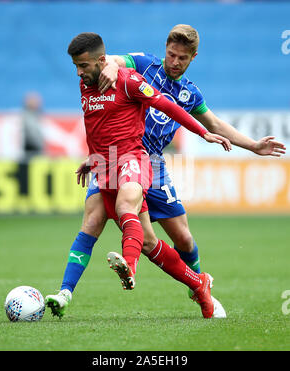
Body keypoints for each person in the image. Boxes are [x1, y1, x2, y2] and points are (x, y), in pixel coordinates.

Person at [74, 24, 287, 297]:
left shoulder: (189, 94)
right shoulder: (143, 65)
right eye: (171, 54)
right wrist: (114, 66)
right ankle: (68, 290)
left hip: (153, 164)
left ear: (193, 57)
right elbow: (111, 59)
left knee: (184, 239)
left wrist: (253, 146)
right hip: (117, 159)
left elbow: (215, 124)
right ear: (165, 49)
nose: (174, 62)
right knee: (95, 224)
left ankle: (198, 284)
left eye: (182, 58)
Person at [45, 32, 231, 319]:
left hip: (133, 159)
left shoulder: (130, 80)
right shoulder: (86, 84)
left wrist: (203, 132)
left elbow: (167, 105)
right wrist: (92, 158)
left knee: (125, 208)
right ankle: (65, 293)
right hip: (104, 166)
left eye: (83, 65)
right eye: (76, 66)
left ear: (101, 61)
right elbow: (99, 126)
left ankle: (129, 268)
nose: (79, 72)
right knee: (129, 236)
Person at [21, 92, 45, 159]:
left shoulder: (37, 115)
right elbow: (32, 135)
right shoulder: (26, 116)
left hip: (36, 149)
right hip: (30, 150)